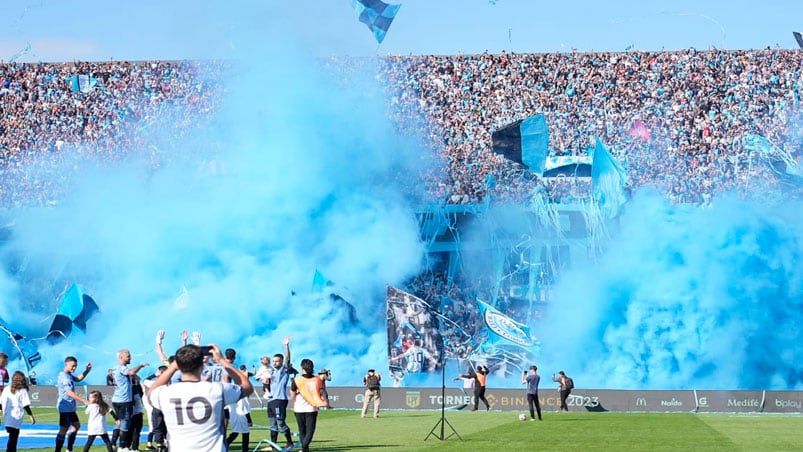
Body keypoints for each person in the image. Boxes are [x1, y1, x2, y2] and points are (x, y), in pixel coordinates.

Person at [147, 344, 253, 452]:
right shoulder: (217, 390)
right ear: (202, 366)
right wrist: (222, 360)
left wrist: (172, 367)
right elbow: (247, 387)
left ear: (178, 365)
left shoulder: (166, 393)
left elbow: (151, 392)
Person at [111, 349, 148, 451]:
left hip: (118, 399)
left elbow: (132, 375)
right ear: (121, 357)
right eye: (128, 356)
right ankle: (122, 447)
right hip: (123, 400)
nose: (130, 358)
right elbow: (131, 372)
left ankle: (116, 444)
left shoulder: (115, 368)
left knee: (121, 422)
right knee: (125, 424)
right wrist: (141, 365)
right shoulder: (121, 368)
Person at [55, 356, 92, 452]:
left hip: (70, 407)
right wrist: (83, 400)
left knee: (76, 425)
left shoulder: (68, 375)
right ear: (66, 364)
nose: (74, 368)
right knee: (63, 429)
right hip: (65, 407)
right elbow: (69, 392)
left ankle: (69, 449)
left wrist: (87, 371)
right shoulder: (65, 377)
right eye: (73, 366)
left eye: (75, 366)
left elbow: (78, 379)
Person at [290, 358, 328, 452]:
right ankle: (305, 448)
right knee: (310, 431)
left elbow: (292, 393)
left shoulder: (297, 380)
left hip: (299, 408)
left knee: (302, 430)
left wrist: (295, 400)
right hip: (311, 408)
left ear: (302, 368)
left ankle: (304, 448)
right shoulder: (317, 379)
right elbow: (322, 391)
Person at [266, 336, 295, 450]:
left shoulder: (284, 370)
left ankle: (290, 443)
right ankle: (273, 446)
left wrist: (286, 346)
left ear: (281, 361)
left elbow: (288, 359)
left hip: (280, 400)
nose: (274, 363)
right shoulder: (272, 372)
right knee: (272, 424)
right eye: (273, 361)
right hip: (271, 400)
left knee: (280, 422)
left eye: (277, 361)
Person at [1, 371, 36, 452]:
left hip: (7, 416)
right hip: (16, 416)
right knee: (14, 437)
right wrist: (31, 416)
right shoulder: (22, 390)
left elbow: (1, 402)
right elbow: (25, 404)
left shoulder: (7, 388)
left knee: (12, 436)